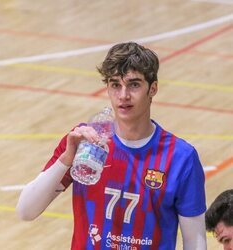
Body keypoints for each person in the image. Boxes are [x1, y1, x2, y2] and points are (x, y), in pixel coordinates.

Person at [16, 42, 207, 249]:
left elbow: (194, 240)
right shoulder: (85, 142)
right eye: (115, 85)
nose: (123, 95)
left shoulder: (181, 157)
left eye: (134, 84)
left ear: (153, 88)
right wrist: (65, 161)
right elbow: (26, 211)